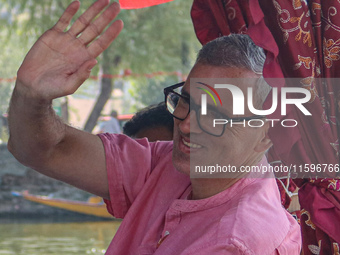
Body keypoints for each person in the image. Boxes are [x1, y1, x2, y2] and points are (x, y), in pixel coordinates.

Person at [7, 1, 301, 254]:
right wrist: (32, 94)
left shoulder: (239, 242)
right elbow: (45, 150)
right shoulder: (165, 165)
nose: (186, 125)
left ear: (265, 134)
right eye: (186, 101)